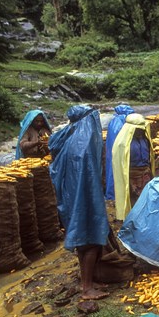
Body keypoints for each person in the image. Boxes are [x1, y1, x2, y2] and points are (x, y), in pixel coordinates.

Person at [48, 105, 110, 300]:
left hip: (70, 198)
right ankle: (86, 288)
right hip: (84, 198)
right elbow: (88, 177)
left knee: (83, 241)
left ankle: (88, 280)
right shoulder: (83, 145)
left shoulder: (68, 138)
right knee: (90, 240)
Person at [112, 113, 155, 221]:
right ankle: (133, 221)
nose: (140, 131)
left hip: (144, 172)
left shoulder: (144, 139)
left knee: (146, 198)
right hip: (132, 174)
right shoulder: (123, 143)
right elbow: (121, 163)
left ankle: (145, 220)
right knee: (133, 199)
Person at [105, 104, 135, 200]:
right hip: (120, 152)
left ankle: (112, 194)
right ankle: (117, 195)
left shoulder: (113, 121)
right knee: (119, 172)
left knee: (112, 171)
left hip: (111, 151)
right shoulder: (122, 122)